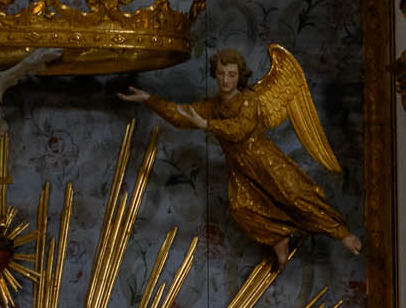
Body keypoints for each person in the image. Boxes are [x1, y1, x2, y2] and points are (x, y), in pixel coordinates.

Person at [120, 46, 360, 264]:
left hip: (265, 160)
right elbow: (180, 114)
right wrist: (149, 100)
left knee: (295, 195)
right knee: (242, 208)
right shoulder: (212, 106)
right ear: (215, 74)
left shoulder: (249, 100)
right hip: (239, 167)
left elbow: (240, 129)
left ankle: (342, 233)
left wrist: (207, 124)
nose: (226, 80)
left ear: (240, 76)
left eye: (231, 74)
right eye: (221, 74)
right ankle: (279, 238)